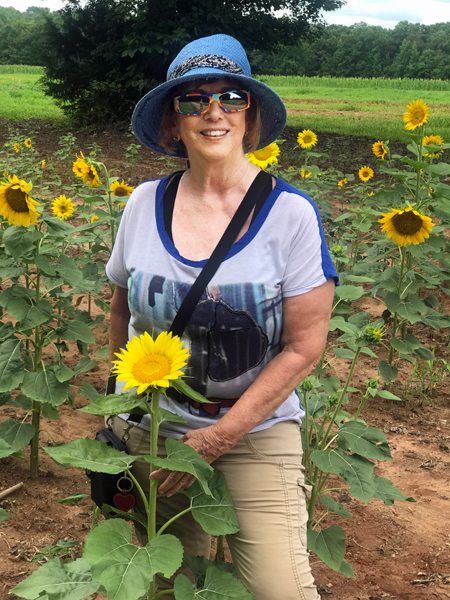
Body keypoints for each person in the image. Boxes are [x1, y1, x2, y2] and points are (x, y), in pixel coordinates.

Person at [106, 34, 337, 600]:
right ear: (172, 120)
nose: (214, 112)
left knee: (280, 589)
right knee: (167, 582)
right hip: (160, 425)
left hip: (255, 427)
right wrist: (123, 398)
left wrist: (219, 437)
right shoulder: (142, 203)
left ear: (248, 113)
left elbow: (305, 346)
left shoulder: (290, 215)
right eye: (193, 100)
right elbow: (119, 304)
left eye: (231, 97)